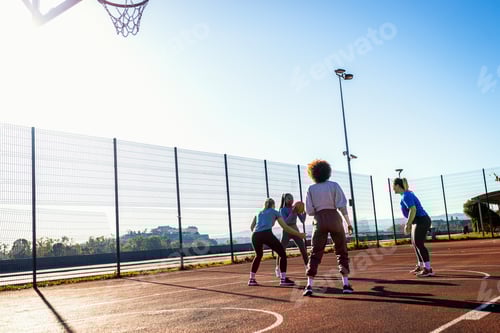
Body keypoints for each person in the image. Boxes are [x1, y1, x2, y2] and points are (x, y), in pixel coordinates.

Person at [303, 159, 354, 296]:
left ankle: (309, 285)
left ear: (312, 173)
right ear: (327, 171)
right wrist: (348, 223)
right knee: (341, 250)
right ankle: (346, 284)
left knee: (315, 252)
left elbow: (309, 211)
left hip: (319, 219)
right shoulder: (334, 185)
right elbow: (342, 206)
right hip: (334, 217)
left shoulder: (311, 188)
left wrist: (319, 212)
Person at [248, 198, 307, 287]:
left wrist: (259, 233)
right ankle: (283, 279)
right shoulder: (275, 212)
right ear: (273, 204)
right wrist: (299, 234)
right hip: (266, 233)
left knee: (258, 255)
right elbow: (285, 227)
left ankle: (251, 279)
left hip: (255, 235)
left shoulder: (259, 212)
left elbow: (252, 227)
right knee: (282, 254)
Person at [393, 178, 435, 277]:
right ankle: (420, 266)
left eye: (393, 186)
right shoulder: (406, 194)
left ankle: (428, 269)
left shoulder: (406, 195)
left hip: (422, 220)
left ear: (398, 186)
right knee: (415, 243)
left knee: (419, 244)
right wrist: (410, 223)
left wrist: (408, 224)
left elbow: (413, 209)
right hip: (417, 221)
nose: (393, 188)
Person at [275, 193, 308, 278]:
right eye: (288, 198)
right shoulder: (282, 210)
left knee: (303, 248)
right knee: (281, 250)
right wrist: (292, 213)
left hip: (295, 229)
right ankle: (277, 268)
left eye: (292, 198)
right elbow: (285, 222)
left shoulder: (296, 208)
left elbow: (303, 220)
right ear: (284, 200)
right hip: (286, 230)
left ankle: (307, 267)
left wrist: (305, 213)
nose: (291, 199)